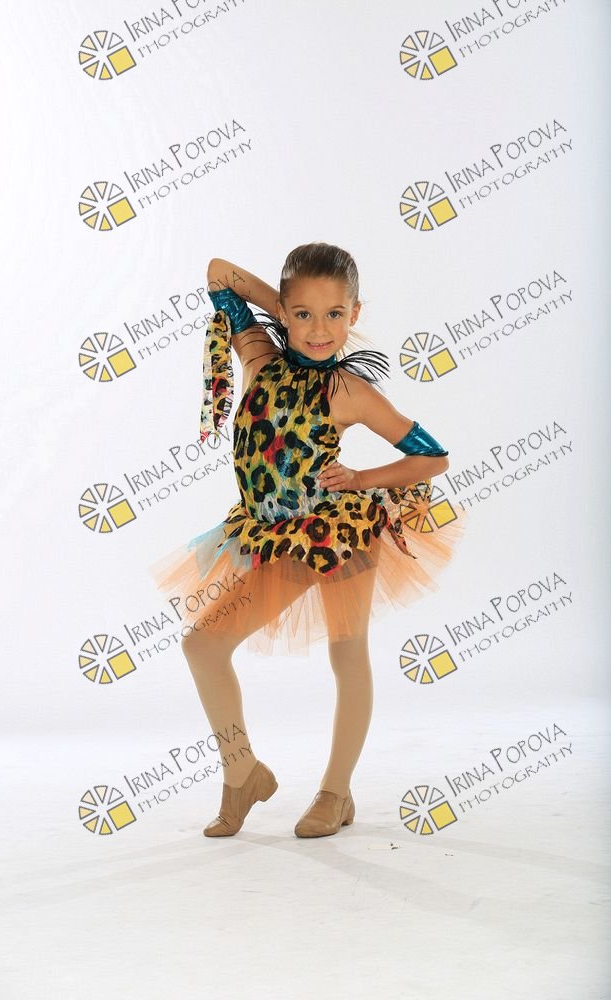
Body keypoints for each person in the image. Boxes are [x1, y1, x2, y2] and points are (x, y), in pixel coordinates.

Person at [148, 242, 468, 839]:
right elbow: (218, 274)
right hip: (273, 534)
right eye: (304, 314)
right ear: (282, 312)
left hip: (335, 532)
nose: (320, 330)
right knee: (203, 645)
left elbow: (432, 458)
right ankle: (241, 773)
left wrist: (363, 479)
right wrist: (284, 311)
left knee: (347, 653)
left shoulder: (349, 391)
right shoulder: (257, 356)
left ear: (355, 314)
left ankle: (335, 792)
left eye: (334, 315)